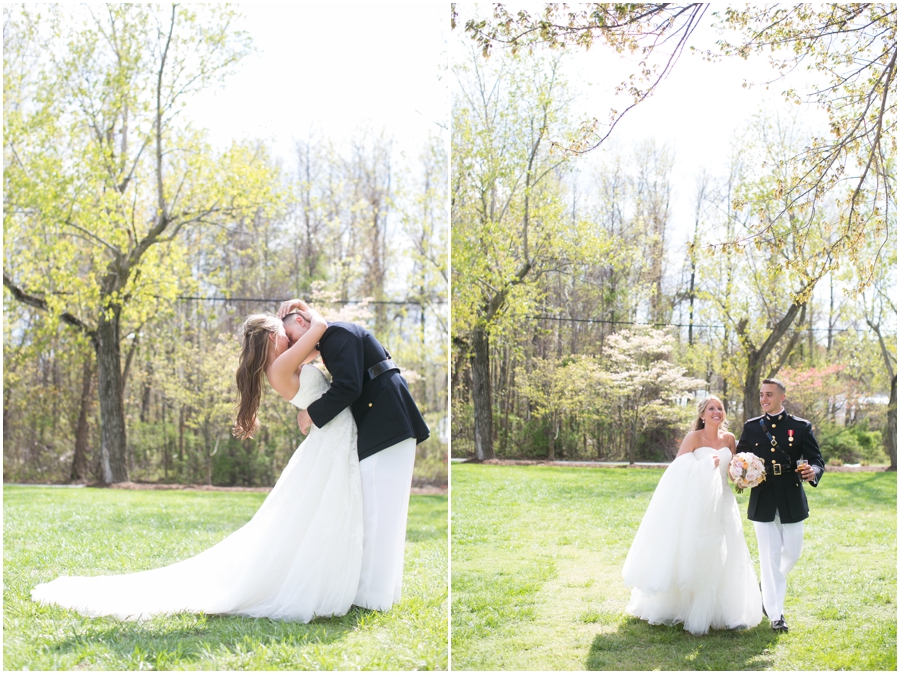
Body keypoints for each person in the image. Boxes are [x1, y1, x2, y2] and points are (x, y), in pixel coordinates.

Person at [32, 307, 364, 622]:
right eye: (283, 332)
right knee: (319, 510)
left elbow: (316, 344)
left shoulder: (284, 362)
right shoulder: (280, 367)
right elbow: (318, 329)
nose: (290, 336)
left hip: (331, 438)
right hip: (330, 439)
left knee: (317, 512)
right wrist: (301, 311)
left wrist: (296, 319)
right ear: (271, 339)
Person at [277, 299, 430, 612]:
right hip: (387, 422)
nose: (293, 344)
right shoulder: (334, 339)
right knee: (379, 512)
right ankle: (377, 594)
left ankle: (372, 598)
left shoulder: (336, 337)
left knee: (378, 514)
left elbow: (348, 387)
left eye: (291, 336)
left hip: (387, 423)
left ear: (303, 322)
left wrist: (311, 413)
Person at [622, 396, 763, 636]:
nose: (716, 412)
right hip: (698, 505)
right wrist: (707, 463)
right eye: (711, 409)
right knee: (698, 551)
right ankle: (687, 607)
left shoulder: (729, 439)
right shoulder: (693, 438)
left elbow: (730, 474)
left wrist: (745, 473)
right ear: (702, 414)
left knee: (728, 551)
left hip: (724, 503)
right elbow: (677, 472)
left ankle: (728, 613)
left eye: (720, 408)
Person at [737, 378, 824, 633]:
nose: (764, 399)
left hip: (791, 494)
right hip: (763, 497)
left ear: (781, 397)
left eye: (769, 395)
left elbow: (817, 459)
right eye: (761, 395)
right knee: (769, 556)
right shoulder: (752, 427)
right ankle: (776, 615)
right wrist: (741, 475)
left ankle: (767, 586)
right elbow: (741, 458)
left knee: (793, 552)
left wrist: (813, 471)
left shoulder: (800, 426)